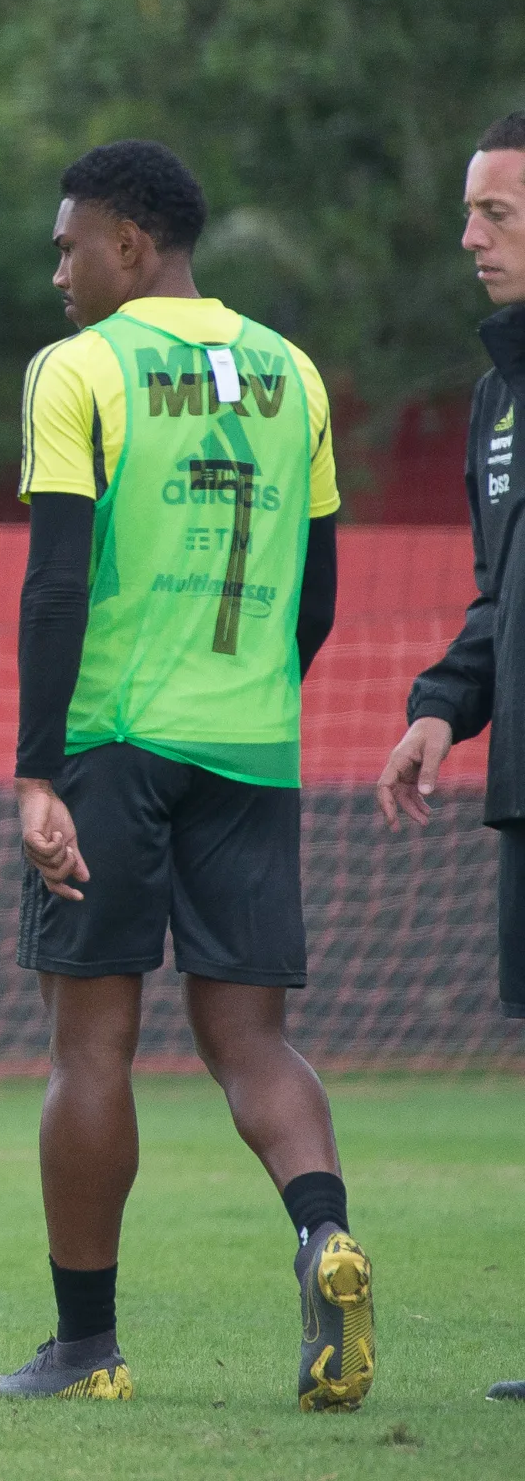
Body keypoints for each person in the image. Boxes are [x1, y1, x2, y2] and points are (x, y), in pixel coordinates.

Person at [0, 140, 369, 1411]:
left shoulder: (80, 370)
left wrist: (39, 771)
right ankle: (324, 1236)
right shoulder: (292, 371)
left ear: (129, 246)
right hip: (252, 745)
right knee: (252, 1038)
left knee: (89, 1044)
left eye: (67, 245)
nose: (58, 271)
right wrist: (251, 695)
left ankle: (86, 1349)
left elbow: (54, 580)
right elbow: (316, 598)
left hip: (111, 741)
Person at [373, 111, 525, 1406]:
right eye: (473, 212)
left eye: (498, 215)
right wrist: (442, 706)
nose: (469, 236)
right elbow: (500, 598)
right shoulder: (497, 396)